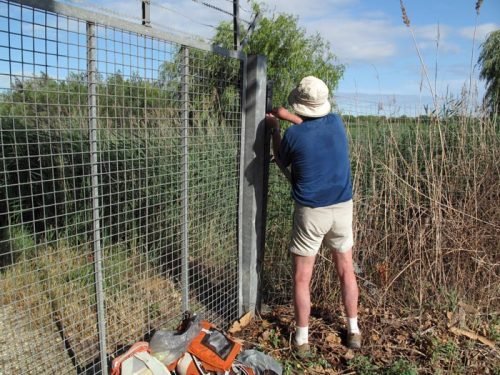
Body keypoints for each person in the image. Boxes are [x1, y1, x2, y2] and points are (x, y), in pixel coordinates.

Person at [266, 76, 361, 354]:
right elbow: (312, 128)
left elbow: (281, 158)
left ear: (301, 106)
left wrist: (275, 127)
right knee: (346, 270)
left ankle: (301, 340)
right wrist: (288, 115)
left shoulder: (293, 136)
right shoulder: (336, 122)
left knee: (301, 278)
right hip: (343, 208)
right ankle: (354, 330)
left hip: (312, 212)